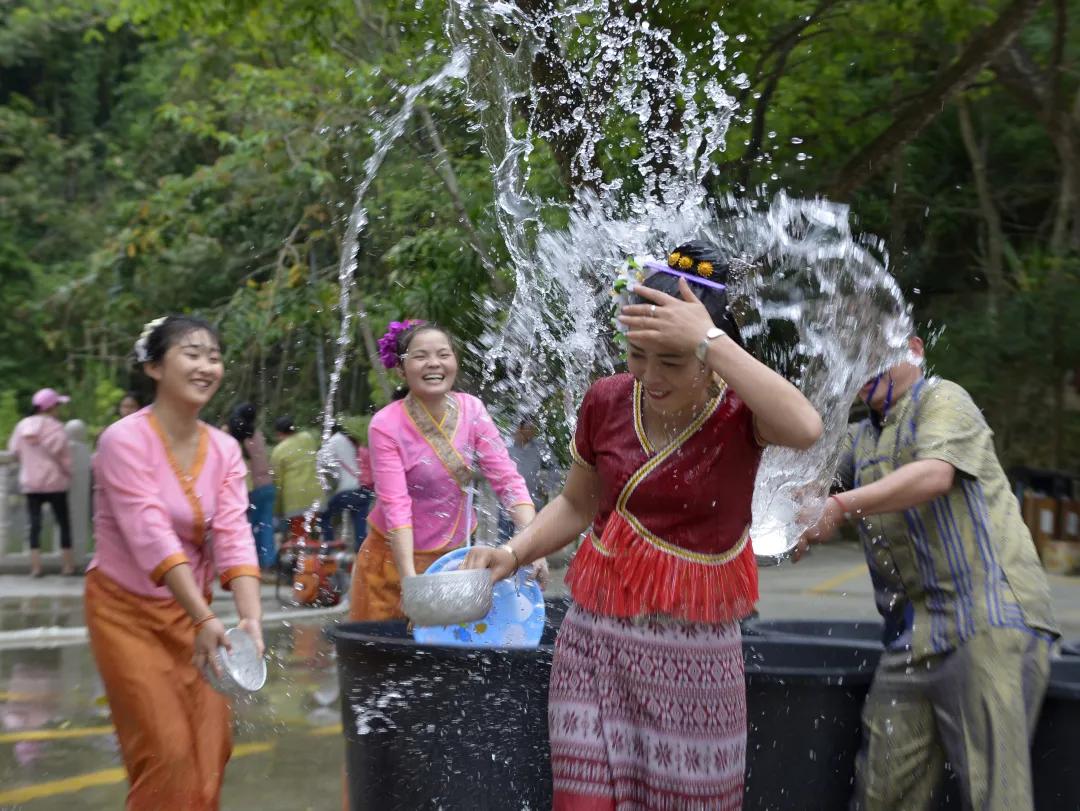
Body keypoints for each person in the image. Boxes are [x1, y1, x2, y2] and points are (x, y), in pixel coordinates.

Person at [465, 241, 823, 810]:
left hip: (695, 658)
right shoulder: (606, 401)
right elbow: (579, 505)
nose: (649, 376)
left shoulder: (740, 413)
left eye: (672, 360)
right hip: (594, 642)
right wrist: (510, 553)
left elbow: (806, 427)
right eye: (636, 354)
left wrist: (706, 338)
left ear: (711, 356)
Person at [799, 336, 1058, 811]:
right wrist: (796, 523)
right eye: (850, 356)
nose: (862, 366)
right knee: (881, 793)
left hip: (986, 623)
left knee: (995, 796)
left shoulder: (943, 398)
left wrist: (836, 506)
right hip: (912, 641)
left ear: (914, 348)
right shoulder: (862, 438)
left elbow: (934, 474)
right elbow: (807, 489)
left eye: (874, 351)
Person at [84, 315, 262, 810]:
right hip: (125, 615)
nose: (207, 365)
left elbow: (233, 532)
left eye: (214, 355)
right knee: (168, 756)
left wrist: (250, 619)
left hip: (192, 617)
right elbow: (150, 536)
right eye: (192, 353)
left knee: (211, 753)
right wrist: (205, 617)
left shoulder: (225, 448)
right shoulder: (123, 440)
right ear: (155, 366)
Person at [348, 320, 541, 623]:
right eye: (420, 356)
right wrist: (411, 584)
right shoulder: (386, 425)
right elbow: (396, 507)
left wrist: (533, 545)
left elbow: (507, 480)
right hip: (392, 563)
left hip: (454, 565)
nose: (434, 363)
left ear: (454, 361)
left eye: (443, 354)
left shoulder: (473, 410)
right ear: (401, 368)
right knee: (384, 662)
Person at [7, 387, 75, 577]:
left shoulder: (22, 426)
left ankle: (36, 567)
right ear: (51, 407)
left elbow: (14, 450)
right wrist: (70, 474)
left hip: (31, 483)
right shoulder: (56, 427)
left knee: (34, 525)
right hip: (56, 483)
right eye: (57, 406)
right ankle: (68, 565)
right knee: (63, 523)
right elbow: (66, 458)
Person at [228, 403, 276, 570]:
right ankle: (269, 561)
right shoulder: (258, 434)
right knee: (266, 526)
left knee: (252, 527)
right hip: (268, 486)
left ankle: (253, 562)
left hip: (254, 489)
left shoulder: (239, 439)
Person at [498, 419, 561, 541]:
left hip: (533, 501)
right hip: (508, 500)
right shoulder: (507, 446)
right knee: (504, 538)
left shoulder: (540, 447)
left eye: (533, 427)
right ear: (520, 429)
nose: (532, 431)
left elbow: (556, 470)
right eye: (529, 427)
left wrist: (546, 488)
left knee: (532, 538)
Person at [320, 416, 373, 551]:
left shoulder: (332, 441)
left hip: (348, 490)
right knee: (359, 522)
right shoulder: (352, 442)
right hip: (364, 490)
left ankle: (329, 547)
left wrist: (332, 475)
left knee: (324, 514)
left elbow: (321, 462)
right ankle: (361, 553)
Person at [270, 415, 322, 547]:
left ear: (279, 433)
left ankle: (302, 565)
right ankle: (317, 564)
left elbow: (278, 482)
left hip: (295, 500)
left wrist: (277, 509)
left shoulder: (278, 451)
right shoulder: (308, 438)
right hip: (315, 495)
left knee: (299, 538)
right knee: (312, 534)